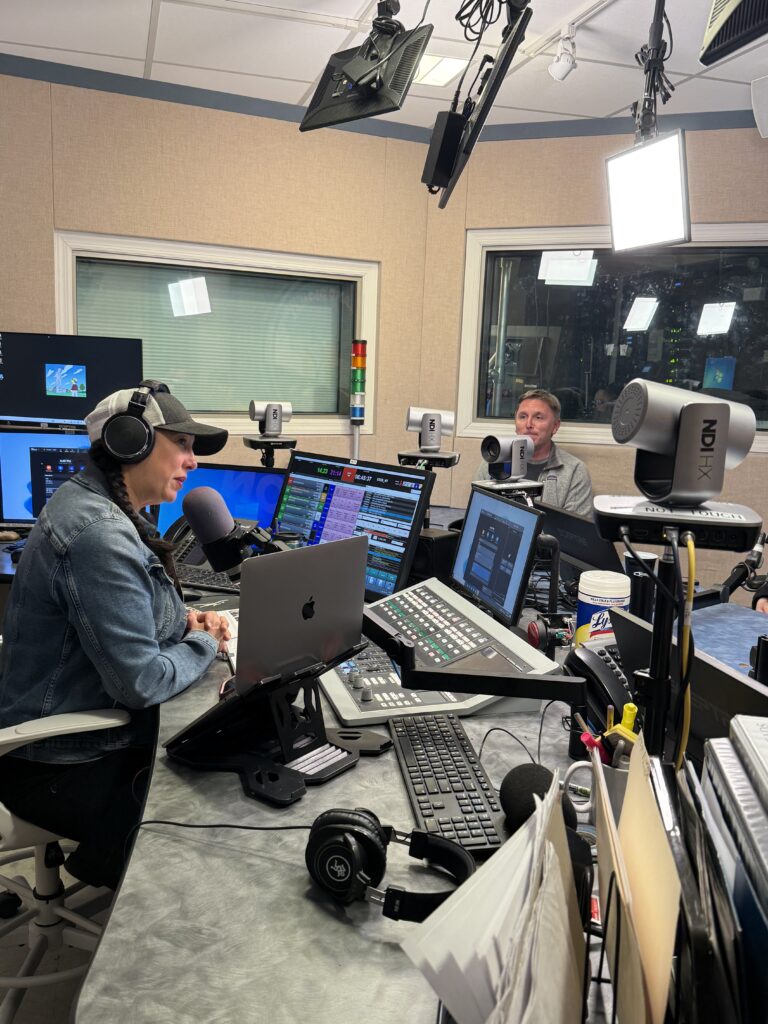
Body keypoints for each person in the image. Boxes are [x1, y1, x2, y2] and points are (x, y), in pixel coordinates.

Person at [0, 381, 232, 890]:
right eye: (182, 444)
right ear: (131, 442)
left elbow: (124, 614)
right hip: (57, 767)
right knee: (213, 799)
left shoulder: (98, 503)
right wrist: (204, 642)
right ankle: (116, 874)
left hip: (70, 744)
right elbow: (142, 683)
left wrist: (184, 621)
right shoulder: (99, 533)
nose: (192, 461)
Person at [476, 388, 594, 517]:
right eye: (523, 417)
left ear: (555, 426)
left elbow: (572, 528)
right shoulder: (493, 463)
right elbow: (477, 514)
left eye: (538, 417)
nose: (528, 424)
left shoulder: (575, 472)